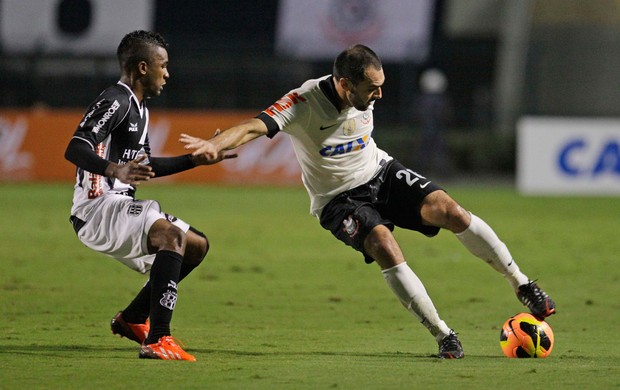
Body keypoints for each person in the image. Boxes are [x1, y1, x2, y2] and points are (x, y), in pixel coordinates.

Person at [180, 44, 555, 359]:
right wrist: (214, 145)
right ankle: (443, 335)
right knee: (383, 244)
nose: (379, 95)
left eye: (381, 85)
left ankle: (521, 283)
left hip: (380, 171)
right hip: (336, 199)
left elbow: (369, 105)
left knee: (451, 210)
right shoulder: (303, 102)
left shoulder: (363, 94)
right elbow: (251, 126)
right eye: (372, 88)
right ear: (345, 84)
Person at [64, 30, 234, 361]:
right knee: (170, 236)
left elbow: (143, 165)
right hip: (96, 207)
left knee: (196, 246)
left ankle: (131, 318)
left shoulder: (140, 109)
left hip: (118, 204)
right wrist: (114, 170)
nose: (167, 74)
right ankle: (159, 339)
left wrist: (193, 161)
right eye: (163, 65)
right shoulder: (116, 99)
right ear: (143, 67)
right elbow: (76, 146)